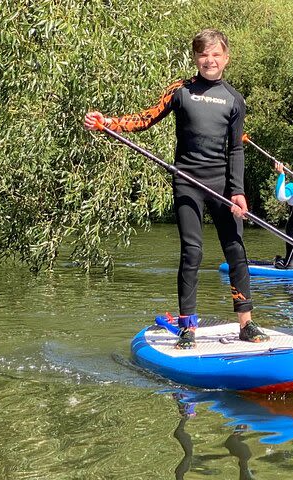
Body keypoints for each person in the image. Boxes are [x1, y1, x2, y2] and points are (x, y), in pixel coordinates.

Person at [84, 28, 268, 348]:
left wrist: (237, 191)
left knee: (236, 249)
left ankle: (246, 324)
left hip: (222, 185)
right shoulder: (180, 90)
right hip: (187, 181)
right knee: (192, 252)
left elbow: (236, 150)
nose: (209, 60)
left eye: (215, 54)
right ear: (196, 57)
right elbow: (146, 118)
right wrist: (108, 123)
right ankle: (187, 326)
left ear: (226, 58)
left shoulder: (234, 99)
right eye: (203, 54)